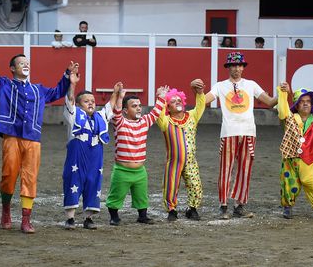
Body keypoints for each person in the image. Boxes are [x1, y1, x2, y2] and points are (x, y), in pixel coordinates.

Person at [0, 34, 73, 233]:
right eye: (21, 63)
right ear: (12, 68)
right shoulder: (3, 84)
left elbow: (57, 92)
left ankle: (26, 220)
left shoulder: (39, 90)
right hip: (11, 135)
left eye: (27, 63)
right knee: (9, 175)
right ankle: (6, 211)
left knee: (30, 177)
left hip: (33, 138)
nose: (25, 65)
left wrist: (67, 75)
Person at [205, 51, 279, 219]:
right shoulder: (220, 86)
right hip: (229, 133)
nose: (236, 68)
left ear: (243, 67)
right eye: (233, 65)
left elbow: (269, 102)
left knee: (245, 170)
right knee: (226, 169)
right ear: (228, 67)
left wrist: (282, 93)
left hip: (248, 132)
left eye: (239, 65)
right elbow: (205, 99)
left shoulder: (251, 84)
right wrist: (197, 91)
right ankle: (223, 206)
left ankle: (239, 205)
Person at [106, 84, 169, 225]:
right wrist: (120, 97)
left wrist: (162, 96)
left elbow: (156, 111)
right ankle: (114, 217)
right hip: (122, 170)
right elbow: (116, 112)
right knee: (116, 195)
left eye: (139, 105)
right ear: (125, 110)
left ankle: (142, 216)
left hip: (140, 170)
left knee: (141, 195)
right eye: (134, 106)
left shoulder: (145, 121)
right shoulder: (120, 122)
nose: (139, 108)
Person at [276, 83, 313, 220]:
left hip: (311, 160)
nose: (305, 104)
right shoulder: (289, 118)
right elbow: (282, 111)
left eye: (308, 101)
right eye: (301, 102)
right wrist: (283, 93)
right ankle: (287, 207)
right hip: (291, 160)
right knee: (289, 185)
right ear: (296, 105)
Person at [61, 76, 113, 230]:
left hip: (95, 161)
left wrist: (117, 94)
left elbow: (109, 107)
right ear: (78, 104)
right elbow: (70, 99)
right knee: (72, 183)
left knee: (93, 184)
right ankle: (70, 218)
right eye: (86, 101)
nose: (91, 103)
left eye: (92, 100)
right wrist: (73, 84)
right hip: (76, 160)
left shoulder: (100, 117)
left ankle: (88, 218)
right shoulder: (73, 115)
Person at [155, 80, 206, 221]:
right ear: (168, 106)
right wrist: (160, 97)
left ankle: (192, 208)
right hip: (174, 161)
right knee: (171, 185)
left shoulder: (192, 116)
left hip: (191, 161)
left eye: (179, 100)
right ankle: (172, 210)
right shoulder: (166, 121)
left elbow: (201, 105)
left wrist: (200, 93)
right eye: (173, 101)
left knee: (195, 185)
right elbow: (158, 114)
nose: (177, 102)